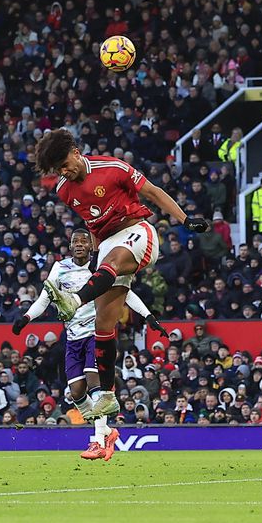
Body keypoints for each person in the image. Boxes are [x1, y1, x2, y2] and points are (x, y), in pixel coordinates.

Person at [33, 128, 208, 421]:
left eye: (66, 164)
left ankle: (74, 300)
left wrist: (186, 220)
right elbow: (92, 221)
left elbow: (153, 192)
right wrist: (96, 251)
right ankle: (108, 396)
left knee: (111, 263)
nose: (65, 172)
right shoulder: (64, 190)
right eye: (59, 169)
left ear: (76, 152)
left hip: (137, 232)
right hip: (108, 248)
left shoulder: (112, 168)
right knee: (103, 322)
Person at [11, 228, 167, 461]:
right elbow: (45, 298)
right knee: (76, 393)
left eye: (85, 241)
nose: (80, 244)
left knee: (96, 385)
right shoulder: (60, 268)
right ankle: (107, 431)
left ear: (91, 245)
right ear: (70, 245)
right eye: (76, 241)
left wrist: (148, 316)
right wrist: (26, 318)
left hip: (97, 334)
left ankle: (98, 441)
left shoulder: (102, 267)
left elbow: (127, 293)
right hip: (73, 338)